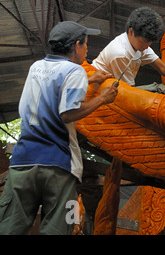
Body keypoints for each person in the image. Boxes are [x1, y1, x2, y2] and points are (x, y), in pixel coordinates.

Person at [0, 21, 118, 235]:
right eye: (85, 44)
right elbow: (67, 113)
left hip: (22, 162)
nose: (87, 49)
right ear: (76, 45)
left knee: (10, 228)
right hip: (57, 164)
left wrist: (90, 79)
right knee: (56, 228)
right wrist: (102, 98)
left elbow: (52, 88)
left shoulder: (36, 67)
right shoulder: (75, 70)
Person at [92, 7, 165, 94]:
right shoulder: (120, 53)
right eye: (144, 42)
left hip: (122, 87)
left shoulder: (139, 44)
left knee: (163, 90)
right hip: (102, 90)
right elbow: (129, 92)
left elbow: (162, 68)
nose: (147, 47)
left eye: (149, 43)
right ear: (131, 31)